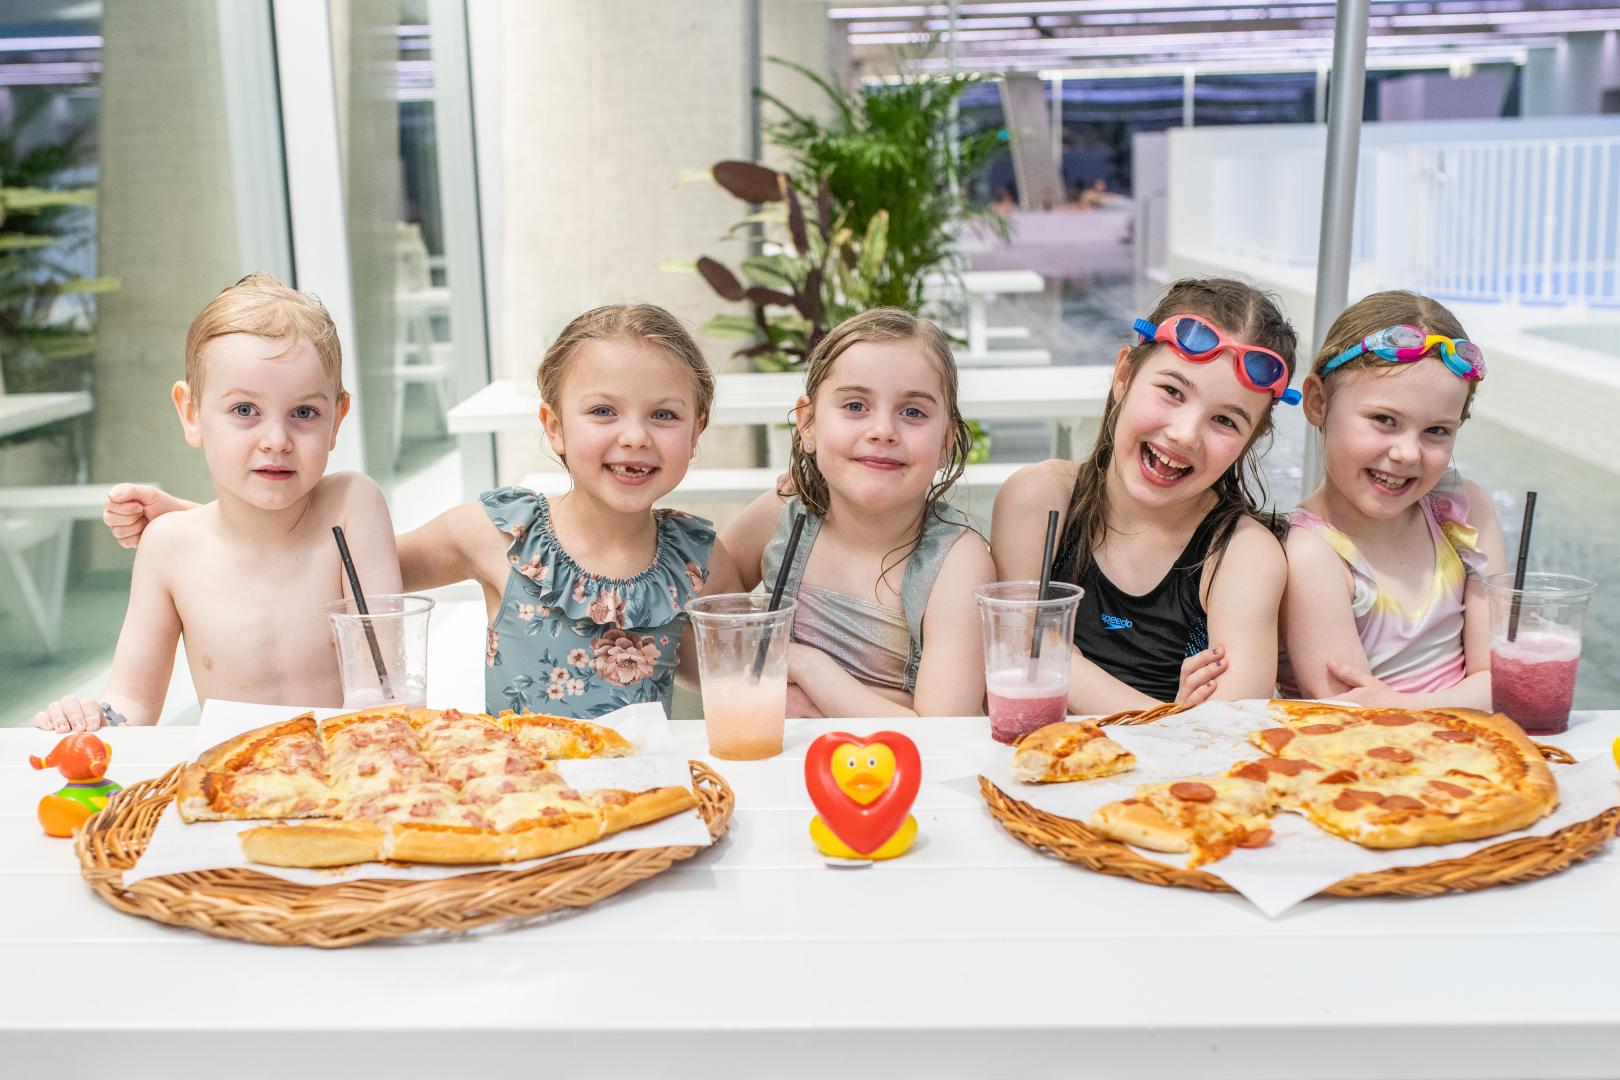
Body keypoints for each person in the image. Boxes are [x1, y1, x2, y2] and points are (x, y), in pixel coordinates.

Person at [100, 303, 741, 720]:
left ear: (698, 427)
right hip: (517, 789)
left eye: (664, 415)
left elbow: (722, 673)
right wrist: (207, 521)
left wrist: (801, 490)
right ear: (554, 427)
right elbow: (335, 564)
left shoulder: (696, 559)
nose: (634, 436)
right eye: (604, 411)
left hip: (643, 794)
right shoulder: (501, 534)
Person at [35, 272, 400, 731]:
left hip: (353, 773)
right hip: (231, 786)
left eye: (304, 413)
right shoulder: (168, 546)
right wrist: (93, 719)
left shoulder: (351, 508)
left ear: (337, 419)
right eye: (245, 410)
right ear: (191, 414)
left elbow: (384, 691)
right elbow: (132, 700)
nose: (276, 440)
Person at [991, 277, 1300, 713]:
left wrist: (1061, 659)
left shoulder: (1242, 555)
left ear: (1250, 440)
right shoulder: (1039, 500)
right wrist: (1170, 716)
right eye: (1172, 391)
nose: (1184, 434)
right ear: (1124, 375)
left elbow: (1230, 734)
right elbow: (1009, 659)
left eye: (1226, 421)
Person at [722, 308, 996, 718]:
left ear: (946, 441)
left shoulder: (957, 561)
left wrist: (806, 667)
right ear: (809, 423)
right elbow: (695, 641)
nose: (883, 430)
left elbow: (943, 733)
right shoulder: (779, 518)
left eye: (913, 412)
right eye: (855, 405)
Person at [1279, 291, 1505, 709]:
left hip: (1477, 757)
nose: (1407, 453)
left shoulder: (1464, 513)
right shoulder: (1309, 553)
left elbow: (1504, 680)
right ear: (1317, 402)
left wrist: (1401, 706)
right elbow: (1351, 717)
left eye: (1436, 431)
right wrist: (1464, 700)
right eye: (1385, 420)